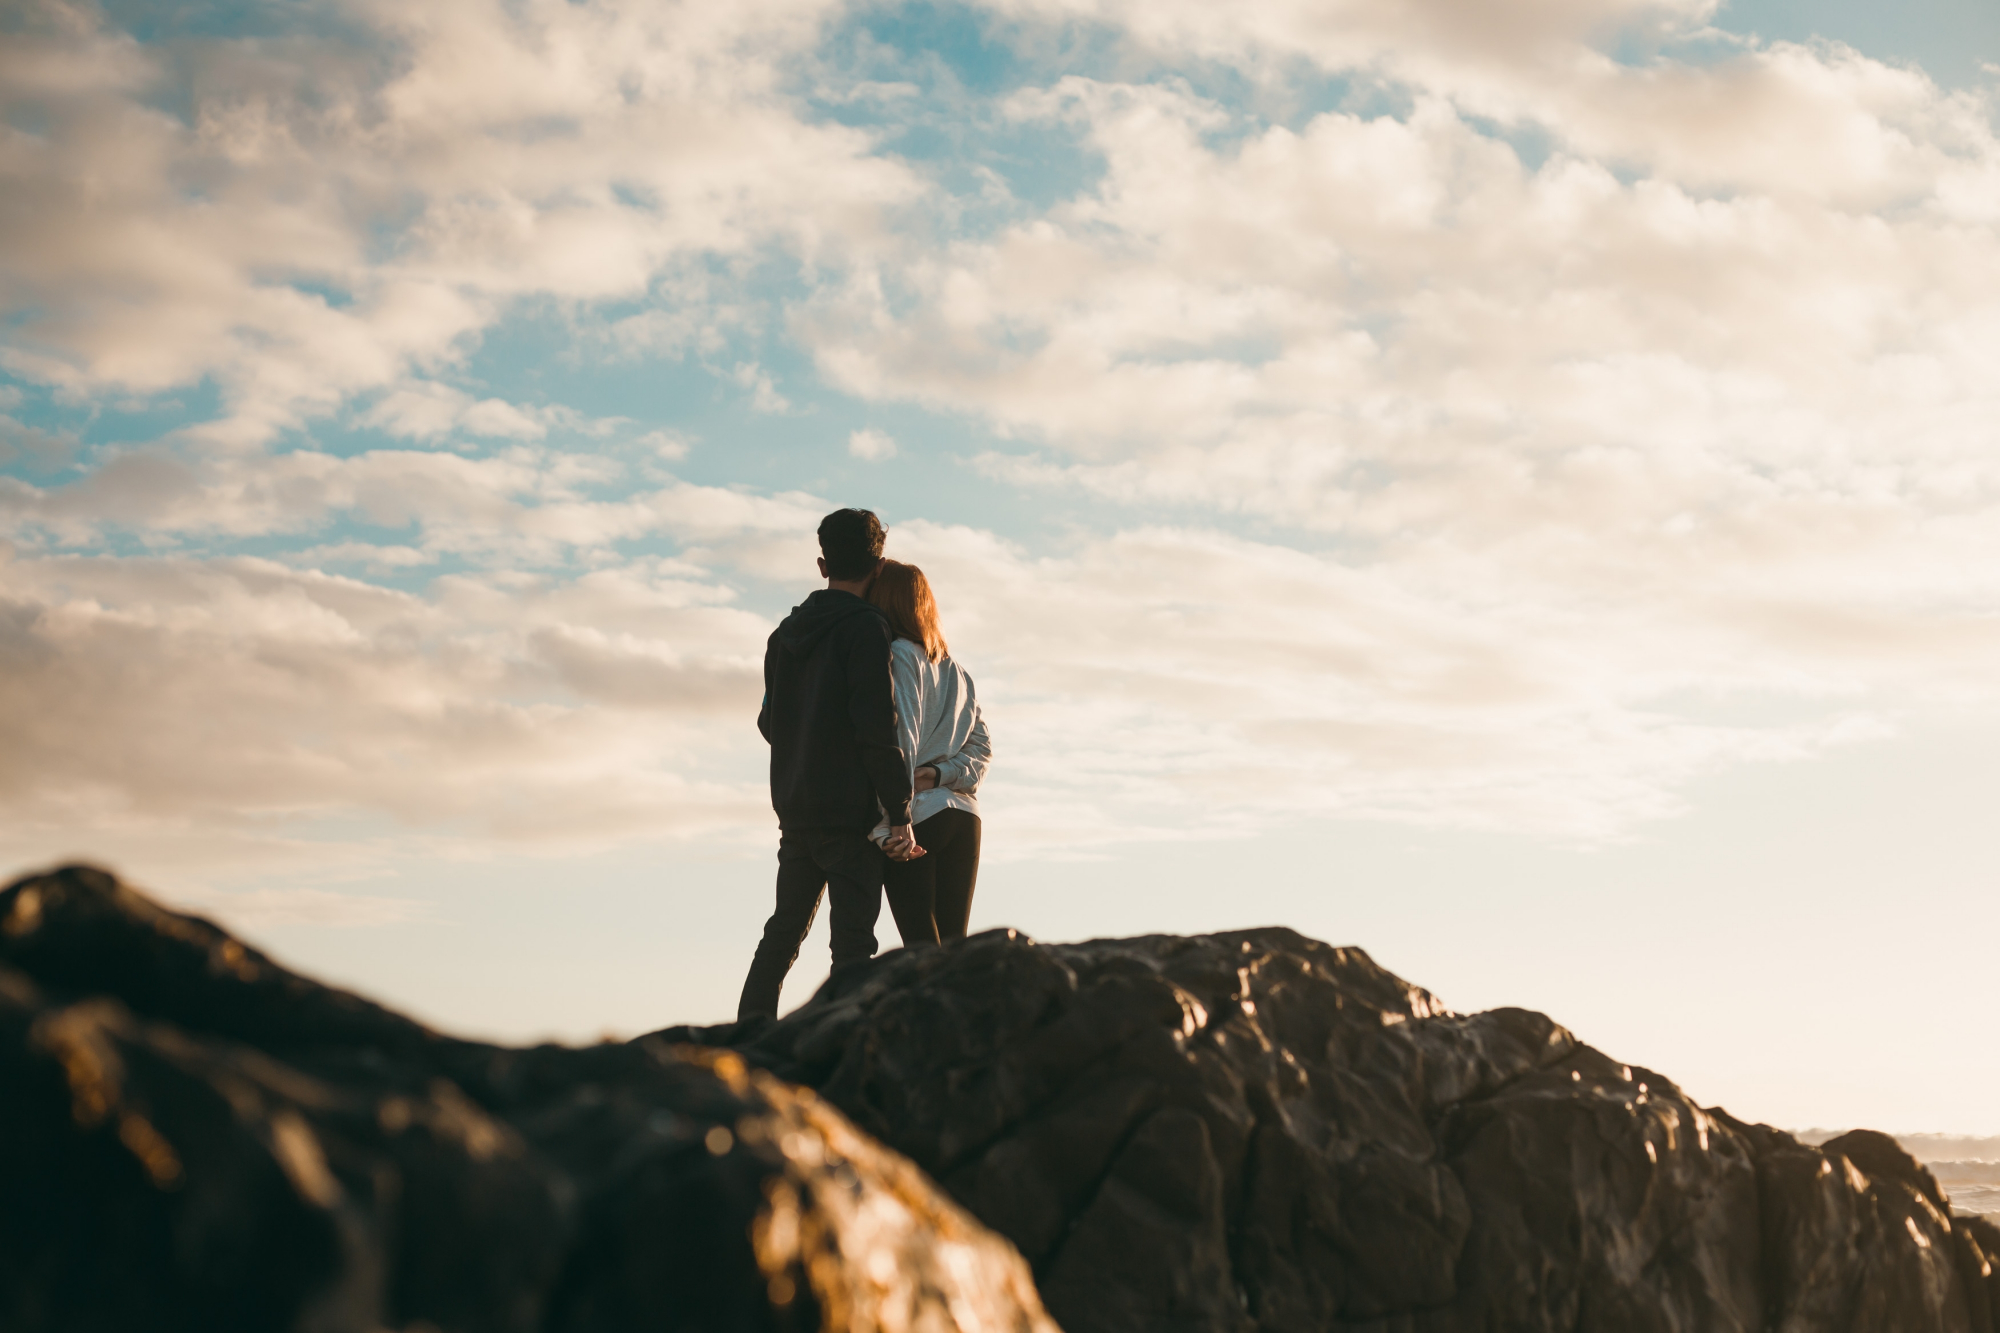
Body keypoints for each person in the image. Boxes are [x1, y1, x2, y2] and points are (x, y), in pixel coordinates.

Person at [736, 509, 918, 1021]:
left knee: (782, 934)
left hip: (794, 808)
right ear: (879, 567)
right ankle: (842, 1041)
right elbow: (874, 727)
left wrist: (804, 743)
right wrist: (899, 809)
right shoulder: (867, 629)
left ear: (822, 565)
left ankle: (749, 1039)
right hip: (850, 814)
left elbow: (768, 722)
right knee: (854, 946)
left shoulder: (783, 634)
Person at [867, 560, 992, 947]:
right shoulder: (957, 670)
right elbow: (982, 749)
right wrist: (944, 775)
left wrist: (888, 825)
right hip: (964, 819)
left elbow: (900, 739)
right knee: (953, 952)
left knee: (921, 951)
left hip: (917, 817)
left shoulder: (899, 656)